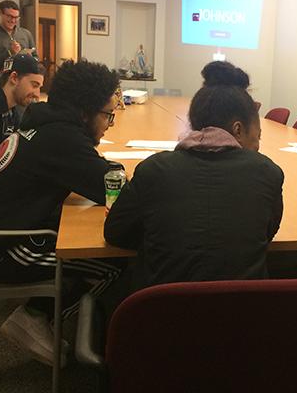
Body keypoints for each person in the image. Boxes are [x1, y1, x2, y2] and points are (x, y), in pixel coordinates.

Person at [0, 59, 124, 366]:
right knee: (111, 265)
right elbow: (110, 187)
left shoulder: (43, 121)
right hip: (0, 250)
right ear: (85, 112)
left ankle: (47, 316)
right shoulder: (62, 140)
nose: (107, 123)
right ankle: (33, 317)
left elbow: (89, 172)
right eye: (107, 115)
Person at [104, 76, 285, 291]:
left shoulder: (153, 169)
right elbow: (266, 235)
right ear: (238, 130)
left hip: (160, 317)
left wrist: (163, 239)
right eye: (258, 137)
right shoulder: (268, 173)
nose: (257, 147)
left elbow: (115, 233)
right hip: (242, 317)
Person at [0, 0, 37, 84]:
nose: (13, 20)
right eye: (9, 16)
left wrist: (30, 59)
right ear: (0, 13)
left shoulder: (26, 34)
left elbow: (36, 57)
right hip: (0, 84)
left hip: (23, 83)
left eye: (16, 17)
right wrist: (10, 53)